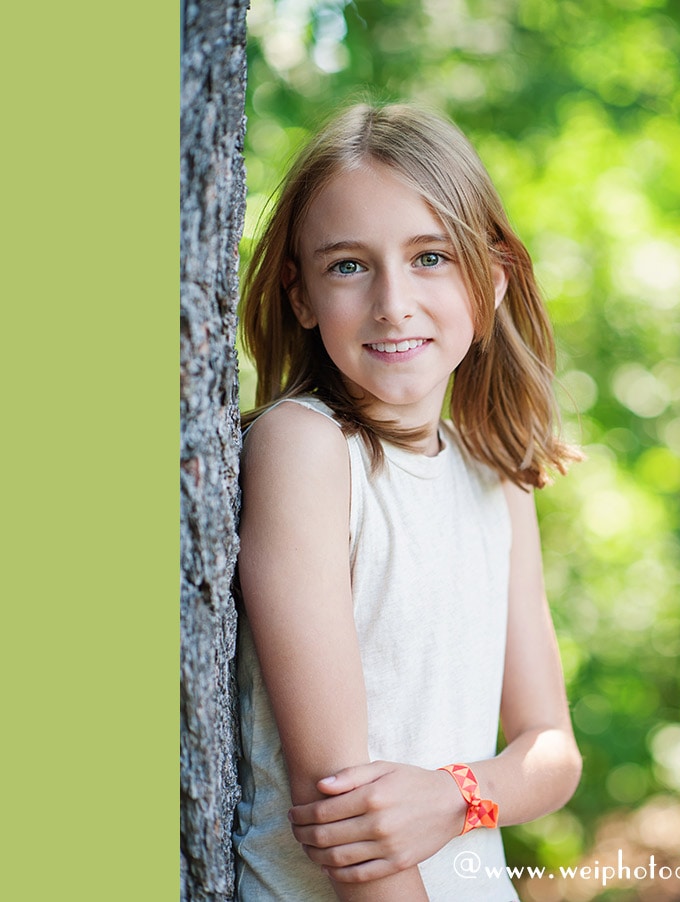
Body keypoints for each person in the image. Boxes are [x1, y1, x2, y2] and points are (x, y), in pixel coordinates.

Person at [233, 102, 583, 902]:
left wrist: (454, 794)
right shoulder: (306, 448)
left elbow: (552, 752)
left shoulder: (493, 473)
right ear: (300, 294)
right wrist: (474, 792)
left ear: (491, 278)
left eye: (430, 257)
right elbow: (347, 823)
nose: (393, 302)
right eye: (349, 266)